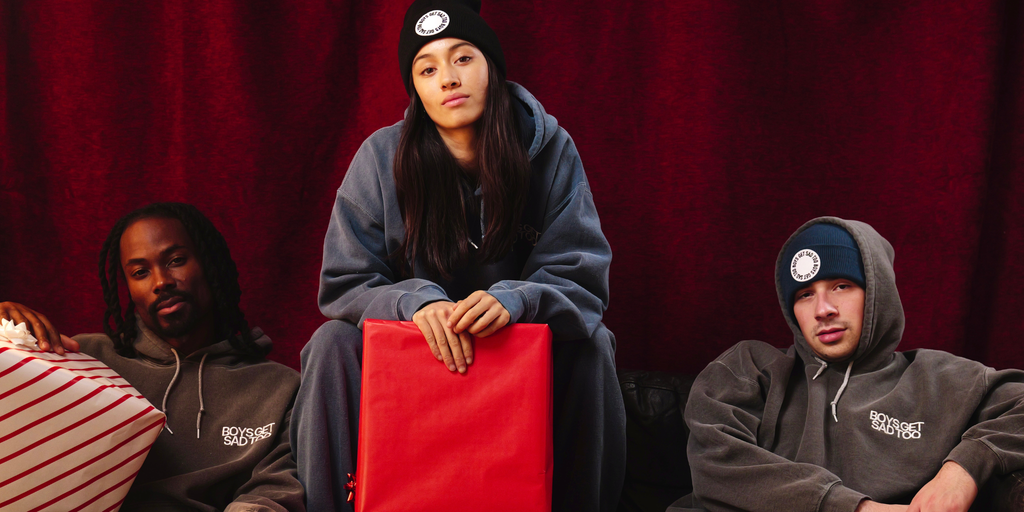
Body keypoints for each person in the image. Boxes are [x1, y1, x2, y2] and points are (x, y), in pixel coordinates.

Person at [290, 1, 626, 510]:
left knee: (593, 343)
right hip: (411, 356)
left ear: (492, 67)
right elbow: (345, 281)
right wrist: (415, 304)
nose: (448, 78)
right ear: (415, 89)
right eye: (427, 69)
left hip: (517, 348)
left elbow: (582, 277)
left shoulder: (551, 149)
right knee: (330, 342)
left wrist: (517, 300)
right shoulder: (380, 157)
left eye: (463, 58)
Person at [674, 217, 1024, 512]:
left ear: (878, 293)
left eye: (842, 286)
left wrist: (962, 471)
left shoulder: (939, 379)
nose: (823, 310)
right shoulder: (749, 368)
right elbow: (716, 464)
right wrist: (857, 509)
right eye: (805, 294)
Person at [0, 202, 304, 512]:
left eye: (176, 261)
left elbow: (273, 491)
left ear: (209, 262)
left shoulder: (280, 388)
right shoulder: (84, 359)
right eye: (140, 272)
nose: (161, 282)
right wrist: (3, 339)